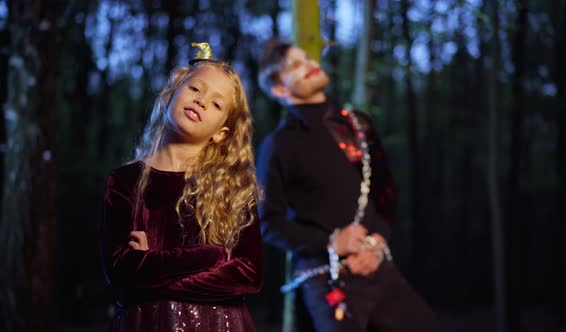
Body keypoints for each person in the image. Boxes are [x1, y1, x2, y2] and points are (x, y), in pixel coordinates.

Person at [256, 40, 441, 332]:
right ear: (280, 89)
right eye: (295, 65)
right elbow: (269, 223)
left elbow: (385, 194)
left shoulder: (358, 126)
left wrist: (378, 242)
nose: (309, 64)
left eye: (306, 58)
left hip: (378, 266)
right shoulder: (278, 145)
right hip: (326, 277)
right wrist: (331, 241)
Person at [100, 43, 263, 332]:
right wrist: (210, 255)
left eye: (216, 104)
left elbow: (248, 274)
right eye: (195, 89)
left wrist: (152, 267)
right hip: (147, 323)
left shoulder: (234, 187)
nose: (201, 101)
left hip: (220, 324)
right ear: (172, 92)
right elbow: (122, 275)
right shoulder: (125, 181)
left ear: (220, 133)